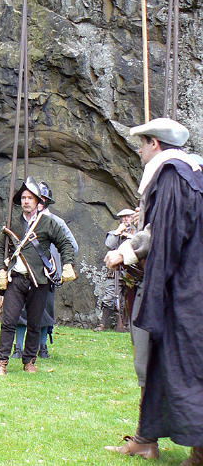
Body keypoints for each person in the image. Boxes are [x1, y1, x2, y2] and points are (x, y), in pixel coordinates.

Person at [103, 118, 203, 464]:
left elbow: (167, 233)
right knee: (161, 363)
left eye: (143, 144)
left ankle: (200, 448)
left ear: (155, 145)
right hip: (188, 287)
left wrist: (126, 253)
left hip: (184, 291)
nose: (141, 152)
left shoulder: (173, 176)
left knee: (184, 365)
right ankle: (146, 440)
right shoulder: (193, 174)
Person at [0, 177, 76, 375]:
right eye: (23, 197)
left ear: (39, 202)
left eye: (30, 198)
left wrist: (68, 264)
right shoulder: (12, 222)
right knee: (9, 321)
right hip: (16, 280)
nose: (26, 201)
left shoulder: (48, 223)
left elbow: (65, 244)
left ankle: (29, 360)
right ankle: (1, 361)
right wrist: (0, 269)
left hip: (40, 280)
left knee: (35, 323)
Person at [11, 181, 78, 359]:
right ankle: (18, 347)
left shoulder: (55, 222)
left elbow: (71, 246)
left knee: (43, 312)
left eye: (40, 199)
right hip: (24, 272)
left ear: (45, 201)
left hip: (47, 273)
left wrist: (58, 262)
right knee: (21, 311)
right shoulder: (21, 221)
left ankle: (41, 347)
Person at [94, 208, 136, 332]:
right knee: (109, 296)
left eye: (128, 217)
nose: (126, 219)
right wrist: (118, 232)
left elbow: (139, 245)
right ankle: (103, 324)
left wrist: (129, 236)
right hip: (115, 272)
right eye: (123, 217)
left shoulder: (137, 233)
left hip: (131, 272)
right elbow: (109, 244)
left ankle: (127, 326)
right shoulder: (114, 233)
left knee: (129, 297)